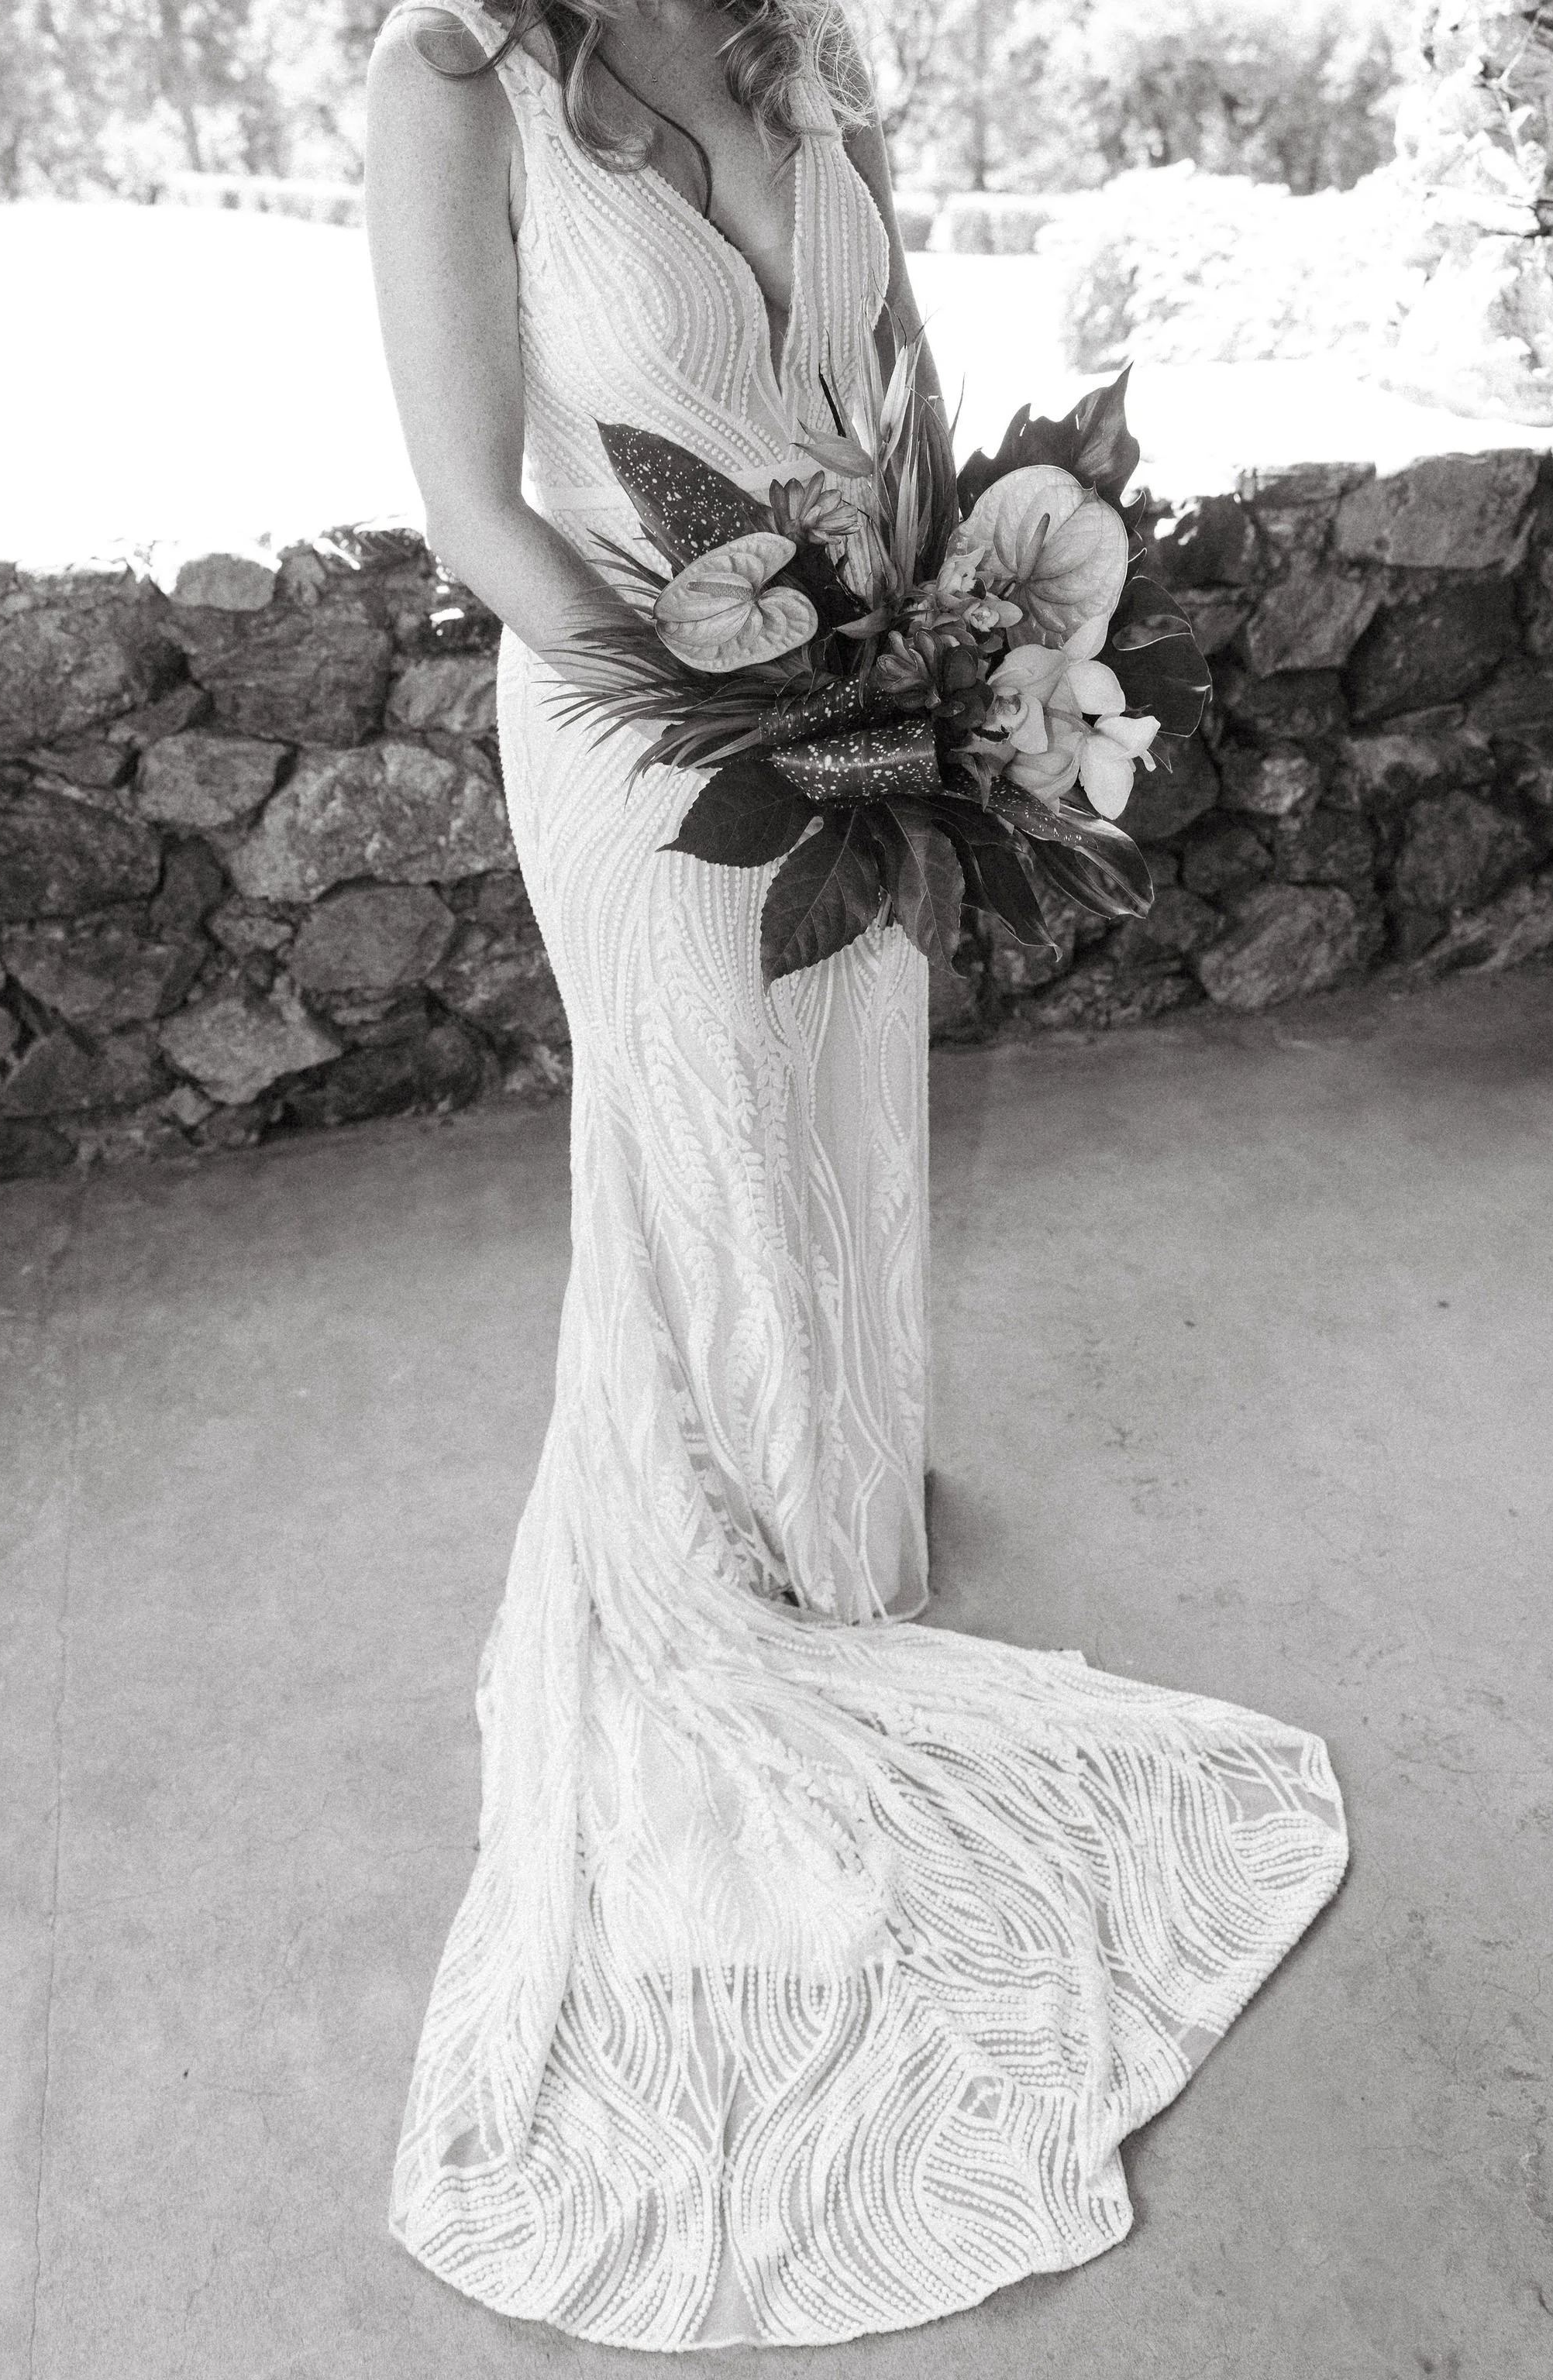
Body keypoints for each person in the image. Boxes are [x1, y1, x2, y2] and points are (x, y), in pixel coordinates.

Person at [363, 0, 1349, 2348]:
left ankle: (835, 1528)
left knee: (836, 1138)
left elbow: (899, 420)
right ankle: (741, 1578)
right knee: (703, 1147)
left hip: (864, 728)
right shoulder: (456, 79)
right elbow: (474, 503)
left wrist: (950, 679)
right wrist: (755, 726)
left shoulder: (819, 61)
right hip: (641, 733)